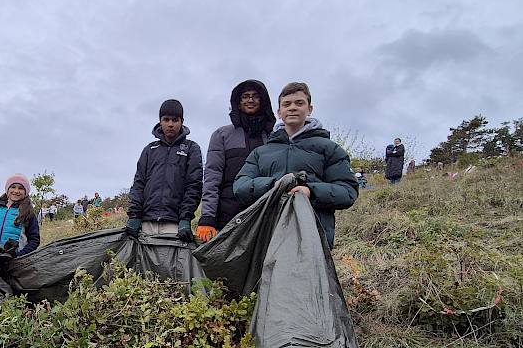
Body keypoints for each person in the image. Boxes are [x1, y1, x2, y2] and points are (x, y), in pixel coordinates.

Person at [234, 83, 358, 248]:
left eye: (299, 103)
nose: (292, 108)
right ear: (279, 112)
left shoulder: (329, 149)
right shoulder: (261, 152)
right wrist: (273, 185)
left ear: (310, 109)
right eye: (286, 104)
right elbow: (240, 187)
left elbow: (348, 192)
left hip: (312, 239)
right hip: (267, 237)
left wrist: (310, 191)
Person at [198, 80, 276, 242]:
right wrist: (207, 217)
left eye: (255, 96)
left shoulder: (274, 137)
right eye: (245, 97)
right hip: (227, 218)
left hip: (266, 216)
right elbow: (212, 177)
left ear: (262, 101)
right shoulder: (222, 135)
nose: (250, 100)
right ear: (238, 103)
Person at [125, 99, 203, 242]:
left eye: (175, 120)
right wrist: (134, 216)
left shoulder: (192, 148)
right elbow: (139, 184)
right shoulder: (149, 149)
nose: (170, 124)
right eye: (166, 119)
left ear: (182, 121)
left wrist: (185, 219)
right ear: (160, 121)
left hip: (174, 226)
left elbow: (194, 186)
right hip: (146, 224)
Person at [0, 174, 41, 302]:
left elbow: (34, 240)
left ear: (26, 192)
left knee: (12, 296)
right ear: (7, 189)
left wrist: (20, 255)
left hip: (15, 262)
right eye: (13, 187)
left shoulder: (28, 213)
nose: (16, 191)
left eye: (21, 188)